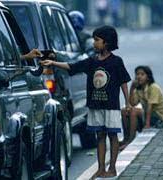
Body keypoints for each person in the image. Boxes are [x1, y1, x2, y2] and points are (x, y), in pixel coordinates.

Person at [40, 25, 131, 179]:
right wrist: (53, 63)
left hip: (111, 106)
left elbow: (123, 82)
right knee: (100, 136)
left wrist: (127, 103)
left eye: (97, 40)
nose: (94, 43)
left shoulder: (116, 62)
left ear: (107, 42)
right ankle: (101, 168)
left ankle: (112, 168)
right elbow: (71, 66)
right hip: (95, 106)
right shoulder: (91, 61)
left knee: (112, 136)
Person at [120, 66, 163, 151]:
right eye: (137, 74)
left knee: (134, 112)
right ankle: (126, 139)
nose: (139, 77)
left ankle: (130, 141)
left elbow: (150, 106)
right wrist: (132, 88)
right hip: (149, 116)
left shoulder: (153, 87)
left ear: (148, 77)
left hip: (160, 119)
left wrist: (147, 124)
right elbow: (132, 103)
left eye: (142, 74)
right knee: (125, 111)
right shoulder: (139, 89)